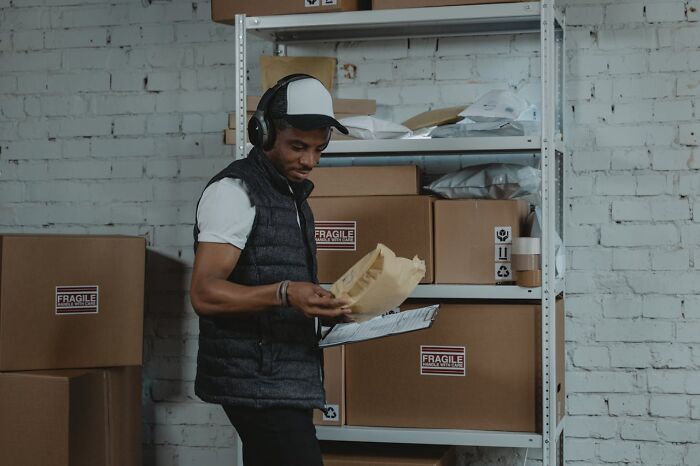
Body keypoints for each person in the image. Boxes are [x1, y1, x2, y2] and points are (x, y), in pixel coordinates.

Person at [189, 74, 352, 466]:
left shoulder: (291, 195)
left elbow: (279, 276)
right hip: (255, 379)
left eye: (318, 149)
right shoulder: (234, 193)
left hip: (284, 373)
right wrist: (286, 293)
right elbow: (204, 292)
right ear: (263, 133)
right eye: (298, 146)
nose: (309, 161)